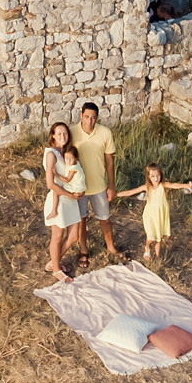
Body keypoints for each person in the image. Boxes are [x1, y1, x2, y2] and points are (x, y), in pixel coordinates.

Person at [70, 101, 122, 260]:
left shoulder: (105, 133)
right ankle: (84, 250)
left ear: (97, 118)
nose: (89, 121)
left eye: (93, 118)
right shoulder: (71, 132)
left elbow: (110, 161)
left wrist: (111, 186)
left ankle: (111, 247)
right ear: (81, 115)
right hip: (79, 187)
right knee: (81, 220)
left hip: (99, 185)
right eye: (86, 117)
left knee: (105, 218)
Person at [116, 163, 192, 262]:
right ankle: (147, 248)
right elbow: (131, 192)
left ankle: (157, 257)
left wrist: (186, 185)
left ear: (161, 175)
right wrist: (117, 194)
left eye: (158, 175)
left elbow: (174, 185)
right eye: (153, 176)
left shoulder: (163, 185)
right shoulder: (147, 187)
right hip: (150, 216)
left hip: (160, 216)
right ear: (148, 177)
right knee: (151, 237)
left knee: (158, 237)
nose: (156, 178)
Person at [41, 122, 86, 280]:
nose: (63, 137)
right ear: (52, 135)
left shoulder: (66, 152)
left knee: (73, 236)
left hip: (70, 199)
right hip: (59, 198)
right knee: (57, 236)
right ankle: (56, 270)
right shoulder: (51, 154)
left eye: (65, 133)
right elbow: (50, 184)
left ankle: (54, 262)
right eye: (59, 134)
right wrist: (70, 195)